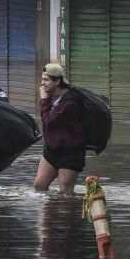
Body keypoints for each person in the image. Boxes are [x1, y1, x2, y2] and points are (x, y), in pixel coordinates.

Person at [36, 63, 88, 195]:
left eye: (46, 80)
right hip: (51, 150)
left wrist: (43, 100)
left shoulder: (71, 102)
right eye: (42, 79)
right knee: (39, 185)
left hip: (70, 153)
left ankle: (68, 214)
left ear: (57, 81)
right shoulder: (52, 97)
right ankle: (48, 214)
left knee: (65, 192)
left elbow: (49, 121)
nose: (42, 84)